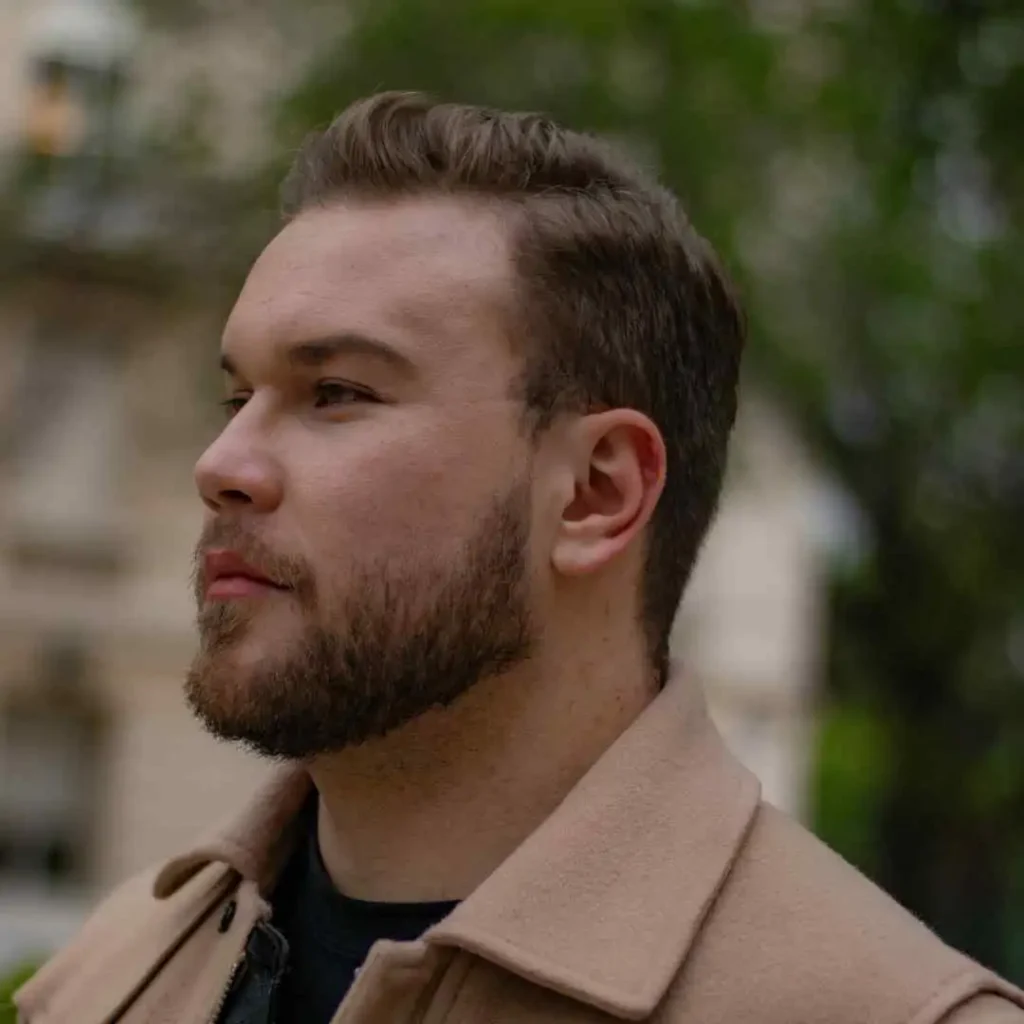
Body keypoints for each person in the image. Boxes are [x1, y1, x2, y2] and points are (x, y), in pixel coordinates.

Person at [16, 92, 1023, 1024]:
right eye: (238, 398)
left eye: (337, 393)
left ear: (595, 492)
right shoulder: (107, 978)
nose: (221, 463)